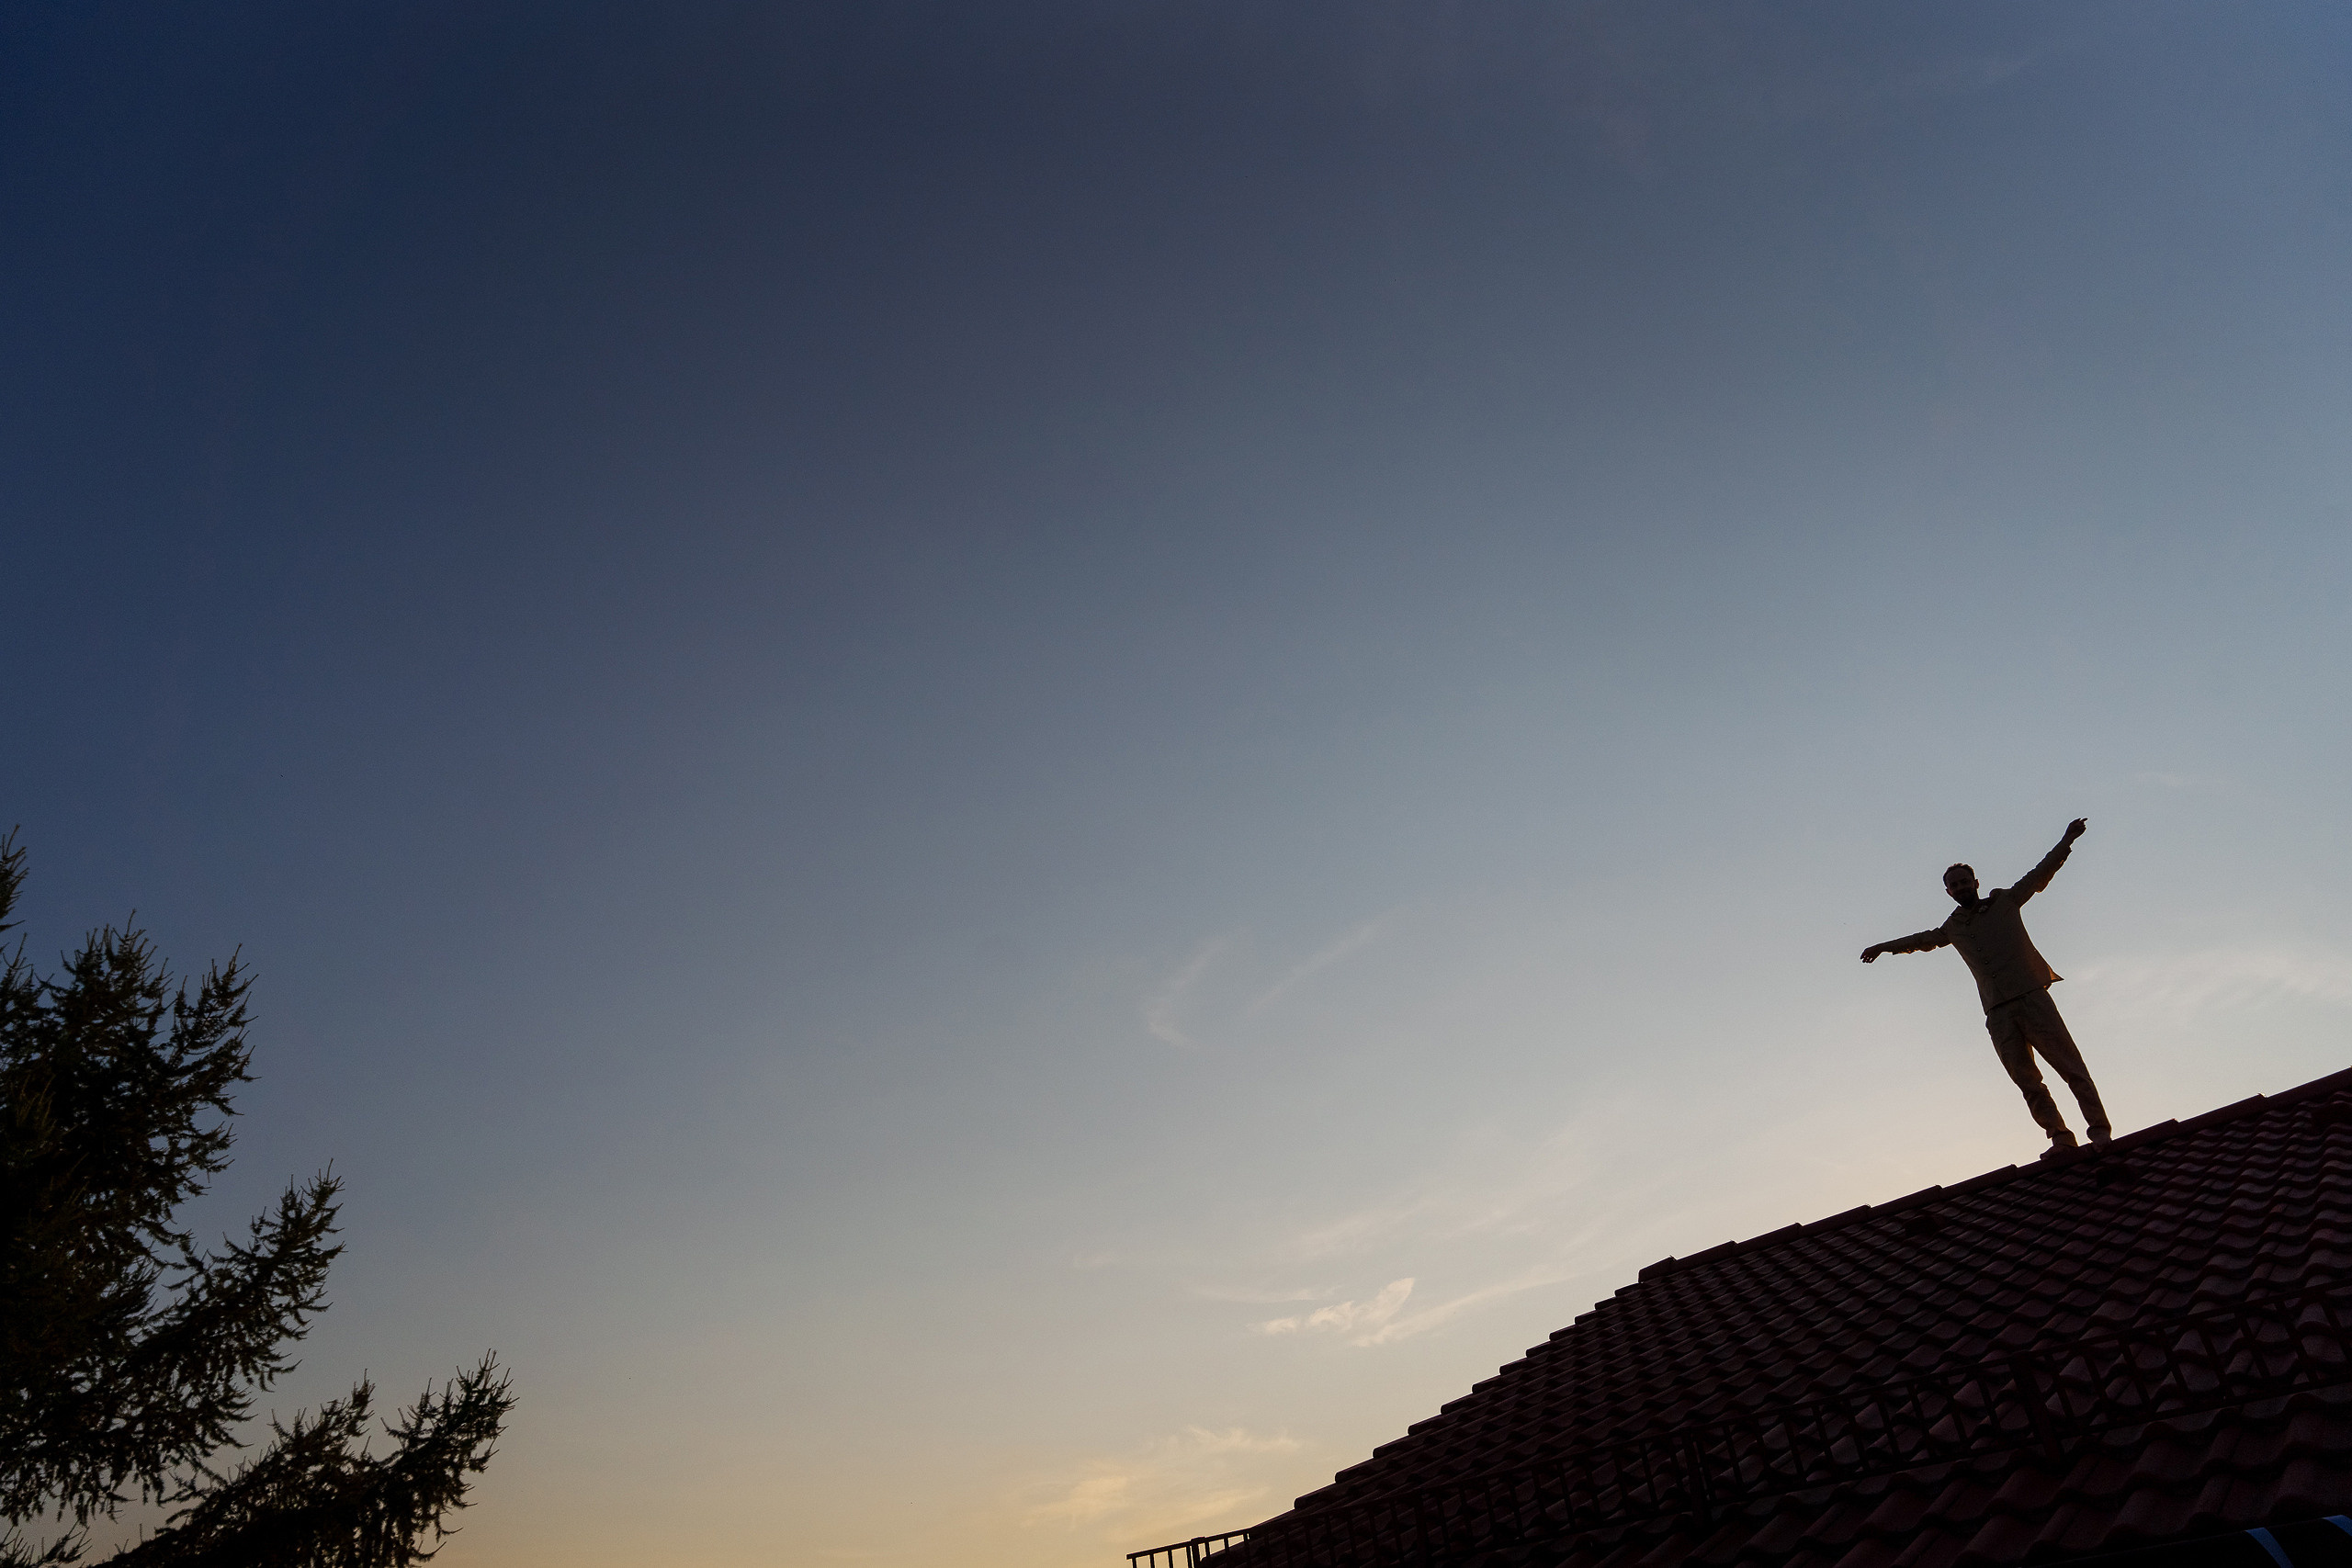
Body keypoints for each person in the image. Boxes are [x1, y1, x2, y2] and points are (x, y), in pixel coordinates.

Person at [1861, 818, 2109, 1155]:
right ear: (1948, 892)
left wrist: (2067, 839)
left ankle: (2099, 1130)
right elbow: (1921, 940)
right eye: (1955, 885)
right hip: (1998, 1012)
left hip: (2031, 997)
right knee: (2027, 1081)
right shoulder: (1953, 927)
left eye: (1965, 881)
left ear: (1976, 882)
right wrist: (1883, 947)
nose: (1962, 887)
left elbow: (2039, 874)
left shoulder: (2005, 902)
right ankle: (2060, 1136)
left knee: (2070, 1066)